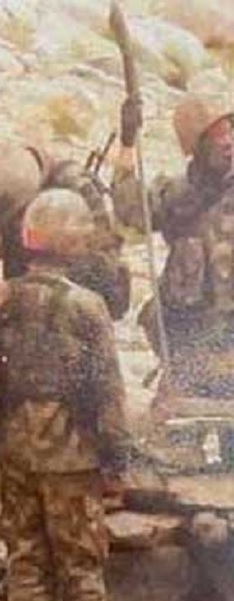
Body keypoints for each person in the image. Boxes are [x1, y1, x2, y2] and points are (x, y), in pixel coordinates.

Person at [0, 190, 134, 601]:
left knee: (25, 560)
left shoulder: (0, 298)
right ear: (74, 243)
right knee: (80, 566)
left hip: (16, 454)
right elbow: (108, 392)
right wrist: (117, 461)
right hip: (74, 460)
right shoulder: (88, 307)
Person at [112, 94, 234, 458]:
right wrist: (127, 144)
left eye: (231, 130)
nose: (228, 141)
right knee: (174, 451)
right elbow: (131, 210)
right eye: (217, 134)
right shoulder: (179, 195)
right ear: (196, 147)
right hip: (190, 345)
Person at [0, 142, 130, 318]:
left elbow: (106, 262)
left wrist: (55, 271)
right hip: (22, 291)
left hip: (72, 300)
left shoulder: (76, 187)